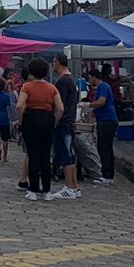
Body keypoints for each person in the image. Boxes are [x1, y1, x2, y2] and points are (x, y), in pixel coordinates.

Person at [18, 57, 62, 200]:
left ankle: (33, 190)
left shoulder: (27, 87)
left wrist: (21, 121)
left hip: (31, 119)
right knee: (45, 156)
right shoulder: (52, 88)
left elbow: (19, 105)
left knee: (33, 154)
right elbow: (60, 108)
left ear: (31, 71)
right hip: (47, 119)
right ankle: (47, 191)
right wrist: (54, 121)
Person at [51, 54, 80, 199]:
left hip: (63, 122)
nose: (53, 65)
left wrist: (55, 121)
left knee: (65, 154)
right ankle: (74, 185)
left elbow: (59, 106)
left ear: (58, 63)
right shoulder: (71, 80)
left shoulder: (62, 82)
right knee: (70, 152)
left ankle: (69, 187)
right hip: (70, 121)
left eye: (54, 62)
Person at [90, 65, 119, 185]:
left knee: (104, 147)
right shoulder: (102, 86)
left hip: (107, 121)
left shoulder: (103, 86)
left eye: (90, 78)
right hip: (105, 120)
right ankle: (108, 174)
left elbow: (101, 101)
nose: (89, 81)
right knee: (106, 148)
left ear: (94, 77)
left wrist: (89, 106)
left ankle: (107, 175)